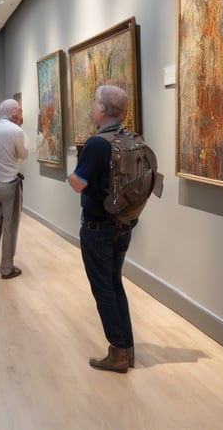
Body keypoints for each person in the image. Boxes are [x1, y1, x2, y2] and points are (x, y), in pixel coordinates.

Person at [67, 84, 136, 373]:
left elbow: (78, 183)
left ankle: (117, 352)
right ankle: (127, 348)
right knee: (115, 283)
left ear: (104, 110)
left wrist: (72, 173)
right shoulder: (130, 138)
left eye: (95, 102)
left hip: (97, 227)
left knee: (103, 289)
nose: (91, 106)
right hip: (124, 225)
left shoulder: (98, 143)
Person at [0, 98, 29, 279]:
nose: (22, 116)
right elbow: (24, 155)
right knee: (10, 226)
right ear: (15, 113)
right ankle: (7, 268)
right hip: (8, 183)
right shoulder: (16, 131)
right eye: (21, 112)